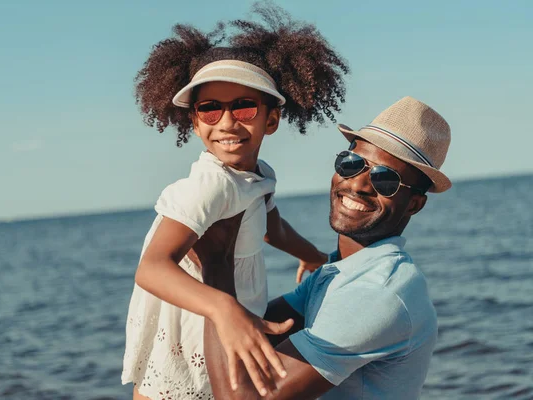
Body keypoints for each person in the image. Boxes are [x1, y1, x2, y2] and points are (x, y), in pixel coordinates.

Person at [121, 4, 349, 399]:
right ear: (194, 122)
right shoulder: (210, 187)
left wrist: (313, 256)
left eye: (243, 106)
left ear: (271, 119)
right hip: (196, 326)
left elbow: (271, 225)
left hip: (228, 319)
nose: (227, 122)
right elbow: (152, 269)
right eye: (209, 109)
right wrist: (224, 310)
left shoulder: (257, 176)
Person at [205, 96, 452, 399]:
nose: (358, 184)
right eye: (351, 164)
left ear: (414, 204)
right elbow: (261, 333)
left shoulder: (376, 292)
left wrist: (216, 263)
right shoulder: (340, 272)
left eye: (386, 179)